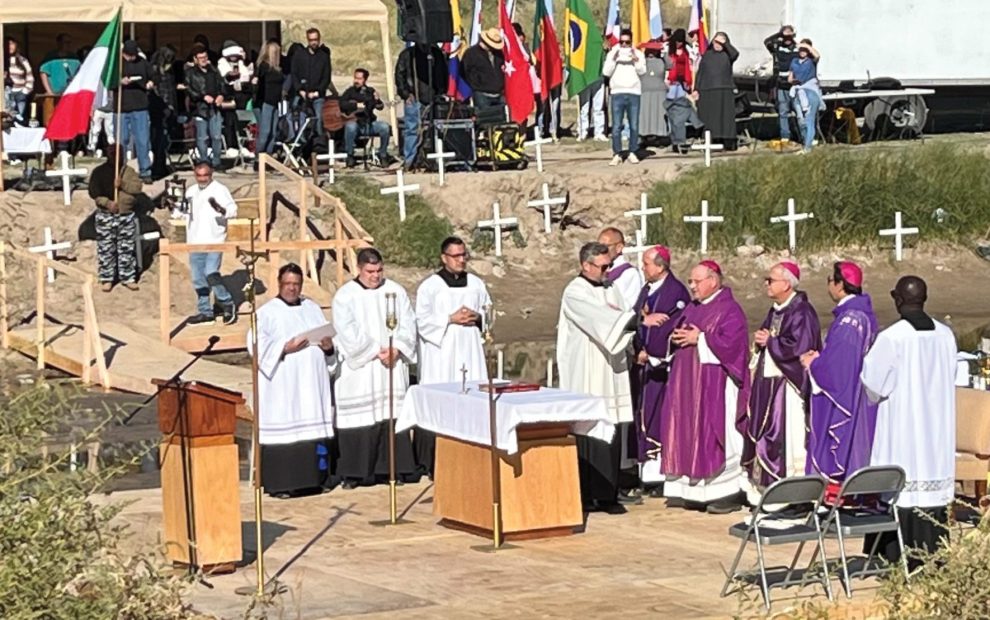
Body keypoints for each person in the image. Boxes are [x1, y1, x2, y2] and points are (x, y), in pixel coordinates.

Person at [861, 276, 956, 568]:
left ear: (898, 299)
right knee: (929, 482)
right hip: (937, 425)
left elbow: (874, 385)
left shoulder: (892, 337)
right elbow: (950, 374)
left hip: (903, 424)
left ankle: (897, 555)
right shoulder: (946, 335)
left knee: (903, 487)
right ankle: (932, 556)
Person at [661, 260, 750, 514]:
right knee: (687, 430)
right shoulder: (692, 307)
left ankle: (724, 492)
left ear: (713, 280)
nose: (692, 287)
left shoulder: (729, 309)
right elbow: (679, 332)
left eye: (696, 282)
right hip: (687, 383)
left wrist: (700, 338)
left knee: (715, 432)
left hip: (715, 386)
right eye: (690, 281)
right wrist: (676, 338)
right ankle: (693, 490)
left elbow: (733, 346)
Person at [556, 242, 636, 512]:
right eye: (603, 266)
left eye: (609, 265)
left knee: (612, 428)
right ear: (585, 265)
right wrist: (632, 322)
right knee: (589, 430)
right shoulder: (575, 292)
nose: (608, 271)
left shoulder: (611, 287)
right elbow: (601, 319)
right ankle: (588, 494)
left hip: (611, 369)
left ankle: (609, 493)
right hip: (587, 372)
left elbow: (623, 316)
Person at [331, 248, 418, 488]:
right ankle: (355, 473)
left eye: (379, 270)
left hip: (390, 364)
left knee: (390, 415)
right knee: (361, 420)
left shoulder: (395, 291)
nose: (375, 276)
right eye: (370, 271)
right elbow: (346, 330)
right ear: (358, 269)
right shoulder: (345, 296)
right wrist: (373, 351)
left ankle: (392, 469)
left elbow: (409, 324)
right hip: (362, 368)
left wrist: (397, 349)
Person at [249, 263, 336, 498]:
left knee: (312, 435)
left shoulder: (312, 308)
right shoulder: (266, 313)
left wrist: (328, 348)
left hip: (311, 387)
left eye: (296, 284)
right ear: (279, 284)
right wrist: (284, 348)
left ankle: (315, 480)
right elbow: (256, 346)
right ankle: (282, 485)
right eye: (287, 284)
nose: (292, 289)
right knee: (286, 436)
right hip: (283, 388)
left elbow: (325, 340)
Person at [740, 262, 821, 503]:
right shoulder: (776, 309)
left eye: (770, 279)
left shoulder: (802, 312)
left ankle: (792, 494)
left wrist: (771, 342)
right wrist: (761, 343)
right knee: (765, 432)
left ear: (786, 283)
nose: (766, 283)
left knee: (786, 435)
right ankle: (768, 490)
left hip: (788, 388)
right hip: (769, 384)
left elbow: (801, 348)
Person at [414, 237, 491, 476]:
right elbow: (421, 321)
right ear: (443, 258)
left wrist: (478, 318)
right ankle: (433, 463)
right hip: (442, 353)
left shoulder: (476, 284)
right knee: (441, 402)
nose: (461, 260)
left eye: (463, 255)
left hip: (470, 350)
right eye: (456, 256)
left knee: (472, 399)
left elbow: (489, 312)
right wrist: (449, 318)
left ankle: (472, 455)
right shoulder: (431, 286)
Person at [800, 261, 879, 496]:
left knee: (840, 444)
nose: (828, 286)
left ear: (840, 285)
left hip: (844, 395)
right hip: (861, 390)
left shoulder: (848, 321)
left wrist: (813, 363)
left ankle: (837, 496)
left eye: (829, 281)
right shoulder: (864, 314)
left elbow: (838, 367)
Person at [630, 245, 690, 494]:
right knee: (643, 414)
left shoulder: (675, 293)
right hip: (643, 364)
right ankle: (644, 472)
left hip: (661, 368)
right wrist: (636, 346)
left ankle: (659, 476)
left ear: (660, 266)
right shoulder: (647, 288)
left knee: (658, 417)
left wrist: (651, 352)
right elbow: (639, 317)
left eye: (646, 264)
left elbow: (670, 327)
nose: (642, 268)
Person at [182, 162, 237, 325]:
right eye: (199, 176)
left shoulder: (220, 190)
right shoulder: (191, 191)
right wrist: (173, 206)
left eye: (205, 175)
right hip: (194, 241)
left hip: (214, 240)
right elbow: (184, 212)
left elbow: (233, 210)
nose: (202, 179)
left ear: (211, 174)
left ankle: (227, 303)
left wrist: (221, 210)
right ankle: (205, 311)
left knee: (211, 273)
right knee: (198, 278)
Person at [87, 148, 141, 292]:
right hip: (106, 215)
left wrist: (122, 184)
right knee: (106, 248)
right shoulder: (99, 172)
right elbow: (94, 192)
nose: (116, 157)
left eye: (119, 154)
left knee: (126, 248)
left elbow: (137, 188)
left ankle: (128, 277)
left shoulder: (129, 172)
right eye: (112, 153)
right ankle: (107, 278)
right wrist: (107, 203)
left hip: (125, 215)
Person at [395, 42, 448, 170]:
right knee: (412, 129)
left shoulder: (436, 54)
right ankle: (410, 161)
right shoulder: (408, 55)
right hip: (413, 99)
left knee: (434, 130)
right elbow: (399, 75)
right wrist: (405, 94)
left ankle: (432, 159)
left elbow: (443, 74)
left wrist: (441, 92)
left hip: (432, 98)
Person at [603, 29, 646, 166]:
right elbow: (606, 72)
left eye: (627, 42)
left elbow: (642, 71)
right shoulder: (613, 53)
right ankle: (617, 153)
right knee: (616, 126)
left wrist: (636, 60)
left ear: (631, 42)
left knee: (633, 125)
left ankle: (633, 152)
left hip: (633, 92)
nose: (624, 45)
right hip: (617, 92)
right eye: (622, 42)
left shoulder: (638, 53)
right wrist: (614, 60)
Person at [339, 68, 396, 169]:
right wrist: (356, 106)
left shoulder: (370, 91)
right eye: (355, 78)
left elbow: (380, 107)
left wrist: (377, 100)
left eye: (359, 79)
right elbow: (342, 104)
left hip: (369, 123)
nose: (356, 81)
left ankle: (383, 155)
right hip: (356, 123)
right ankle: (350, 155)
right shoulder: (350, 92)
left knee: (384, 127)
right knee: (350, 127)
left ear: (365, 80)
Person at [694, 31, 739, 150]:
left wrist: (725, 44)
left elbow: (735, 54)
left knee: (725, 119)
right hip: (707, 90)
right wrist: (696, 89)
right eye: (716, 42)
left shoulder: (728, 55)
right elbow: (700, 74)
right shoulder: (707, 56)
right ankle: (710, 142)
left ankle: (727, 142)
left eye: (720, 42)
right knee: (709, 119)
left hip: (724, 90)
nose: (718, 45)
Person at [185, 45, 225, 170]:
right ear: (195, 59)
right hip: (200, 109)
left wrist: (221, 96)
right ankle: (204, 161)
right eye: (200, 58)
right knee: (202, 138)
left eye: (205, 57)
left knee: (217, 136)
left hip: (215, 108)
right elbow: (189, 90)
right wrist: (202, 97)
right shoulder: (190, 73)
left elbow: (222, 85)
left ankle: (217, 161)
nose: (203, 60)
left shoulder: (214, 71)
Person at [119, 40, 154, 181]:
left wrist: (151, 82)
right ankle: (120, 171)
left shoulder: (143, 62)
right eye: (128, 55)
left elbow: (153, 76)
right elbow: (107, 81)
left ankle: (145, 171)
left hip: (140, 106)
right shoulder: (117, 64)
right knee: (121, 141)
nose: (131, 58)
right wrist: (119, 82)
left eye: (133, 55)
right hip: (121, 108)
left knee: (142, 140)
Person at [290, 28, 333, 137]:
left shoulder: (324, 57)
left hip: (318, 95)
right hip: (302, 94)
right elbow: (294, 74)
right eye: (311, 40)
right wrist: (300, 90)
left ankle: (318, 146)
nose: (314, 42)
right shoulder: (299, 55)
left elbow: (326, 77)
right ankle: (300, 144)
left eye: (316, 39)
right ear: (307, 40)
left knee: (318, 120)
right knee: (299, 120)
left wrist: (318, 92)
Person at [664, 29, 701, 154]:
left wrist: (690, 84)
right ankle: (694, 125)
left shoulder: (687, 50)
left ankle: (682, 136)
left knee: (682, 109)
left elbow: (691, 65)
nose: (679, 43)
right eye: (677, 41)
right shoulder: (668, 49)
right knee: (672, 111)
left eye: (681, 41)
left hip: (682, 84)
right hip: (671, 84)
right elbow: (667, 66)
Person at [217, 40, 253, 159]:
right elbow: (227, 77)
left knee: (243, 123)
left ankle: (244, 145)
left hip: (242, 99)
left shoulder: (243, 63)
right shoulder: (222, 63)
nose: (233, 58)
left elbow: (247, 78)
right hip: (228, 99)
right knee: (230, 122)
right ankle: (231, 145)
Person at [763, 25, 799, 143]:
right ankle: (785, 136)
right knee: (783, 111)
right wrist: (780, 34)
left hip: (795, 84)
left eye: (790, 36)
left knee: (799, 111)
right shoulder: (777, 47)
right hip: (781, 84)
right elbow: (766, 41)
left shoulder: (798, 49)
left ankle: (802, 135)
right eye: (785, 37)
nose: (787, 39)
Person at [788, 39, 823, 154]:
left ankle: (807, 147)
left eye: (805, 50)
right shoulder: (794, 61)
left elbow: (817, 55)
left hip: (810, 91)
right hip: (798, 91)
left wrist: (805, 45)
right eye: (801, 49)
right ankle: (805, 142)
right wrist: (793, 81)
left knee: (809, 120)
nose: (802, 52)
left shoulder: (811, 61)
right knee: (800, 120)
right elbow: (790, 77)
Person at [598, 227, 643, 311]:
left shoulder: (629, 274)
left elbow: (629, 306)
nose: (600, 251)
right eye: (598, 247)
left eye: (604, 247)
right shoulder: (597, 270)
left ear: (619, 247)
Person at [253, 41, 285, 159]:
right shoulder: (263, 67)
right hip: (265, 102)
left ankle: (268, 156)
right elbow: (258, 85)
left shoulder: (278, 69)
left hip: (275, 102)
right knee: (265, 131)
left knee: (273, 131)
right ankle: (259, 156)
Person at [462, 28, 505, 112]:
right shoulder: (471, 53)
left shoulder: (498, 54)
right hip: (481, 94)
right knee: (484, 120)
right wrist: (477, 84)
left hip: (499, 94)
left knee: (500, 121)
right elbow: (466, 71)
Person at [637, 39, 670, 142]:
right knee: (645, 114)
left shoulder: (662, 60)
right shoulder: (642, 60)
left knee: (659, 114)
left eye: (654, 50)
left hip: (660, 91)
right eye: (649, 50)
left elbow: (670, 65)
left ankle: (660, 136)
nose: (651, 52)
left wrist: (665, 53)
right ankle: (643, 135)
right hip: (645, 90)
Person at [3, 38, 34, 124]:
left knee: (19, 118)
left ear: (16, 45)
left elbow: (30, 76)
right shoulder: (2, 59)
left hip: (20, 92)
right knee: (8, 118)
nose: (10, 46)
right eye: (7, 44)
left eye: (12, 44)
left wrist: (25, 91)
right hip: (7, 93)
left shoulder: (22, 60)